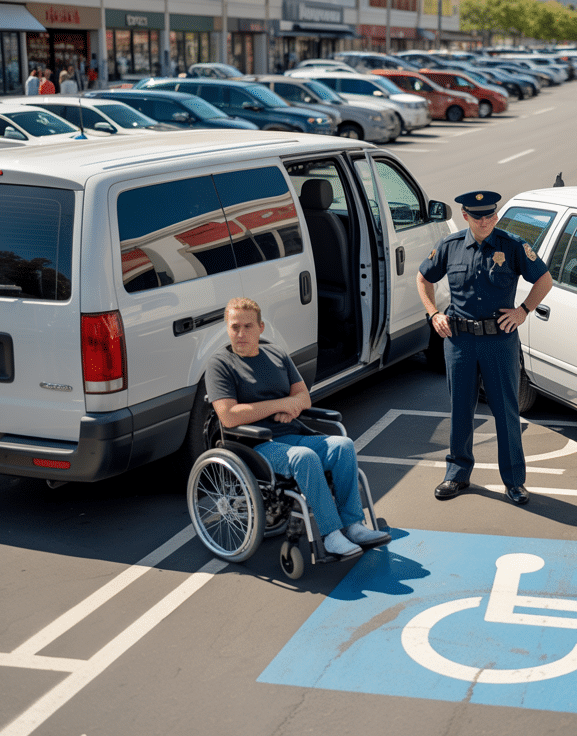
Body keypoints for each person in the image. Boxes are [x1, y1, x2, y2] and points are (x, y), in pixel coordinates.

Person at [206, 297, 391, 558]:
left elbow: (303, 398)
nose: (241, 333)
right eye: (234, 327)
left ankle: (353, 525)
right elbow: (229, 416)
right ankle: (331, 535)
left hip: (293, 433)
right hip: (257, 445)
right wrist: (280, 404)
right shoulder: (220, 365)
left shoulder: (276, 354)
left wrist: (289, 406)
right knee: (304, 458)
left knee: (343, 446)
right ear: (227, 328)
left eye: (248, 327)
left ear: (261, 327)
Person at [416, 190, 554, 506]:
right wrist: (433, 313)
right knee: (460, 408)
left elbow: (544, 280)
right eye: (479, 216)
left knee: (506, 410)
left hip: (498, 341)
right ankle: (457, 474)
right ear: (465, 216)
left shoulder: (513, 244)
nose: (486, 221)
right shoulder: (450, 247)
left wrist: (523, 311)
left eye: (491, 215)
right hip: (460, 341)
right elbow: (423, 279)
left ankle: (514, 482)